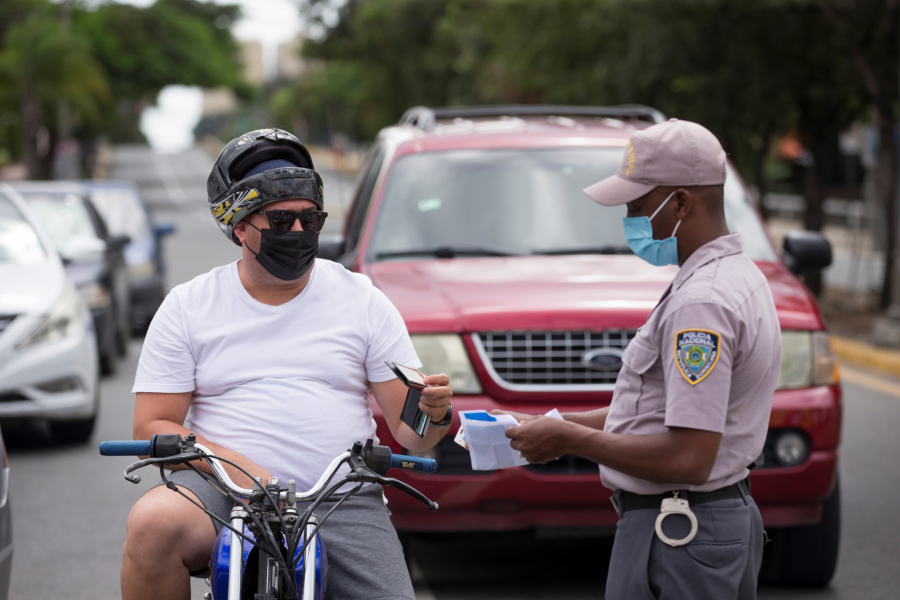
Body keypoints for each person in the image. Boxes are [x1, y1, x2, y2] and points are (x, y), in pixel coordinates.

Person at [121, 128, 453, 600]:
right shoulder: (188, 306)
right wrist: (240, 470)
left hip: (342, 498)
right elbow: (149, 427)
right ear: (239, 226)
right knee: (152, 524)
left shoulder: (362, 299)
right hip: (221, 495)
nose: (298, 233)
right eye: (280, 222)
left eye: (310, 220)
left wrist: (435, 412)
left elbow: (413, 434)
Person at [501, 119, 779, 599]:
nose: (628, 219)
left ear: (680, 203)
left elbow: (689, 457)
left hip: (680, 533)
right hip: (697, 524)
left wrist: (571, 439)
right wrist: (562, 422)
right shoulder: (732, 275)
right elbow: (662, 411)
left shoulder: (703, 303)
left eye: (636, 206)